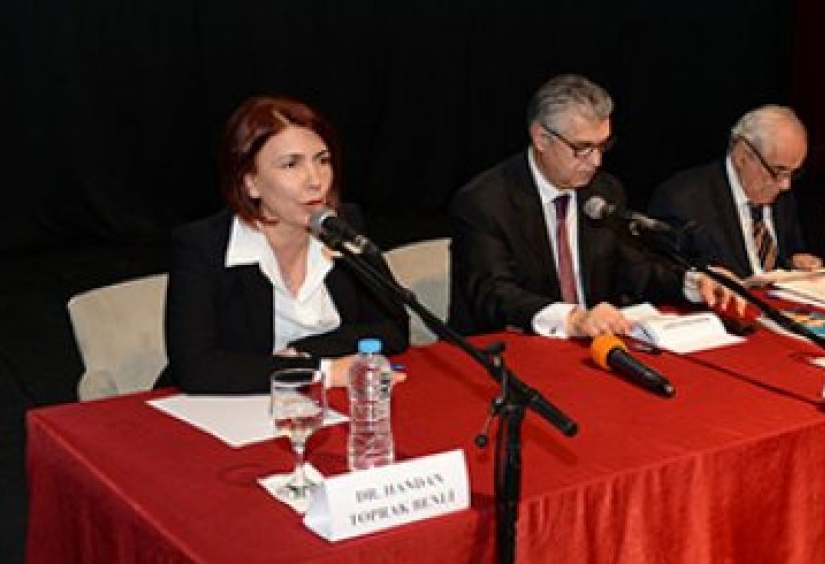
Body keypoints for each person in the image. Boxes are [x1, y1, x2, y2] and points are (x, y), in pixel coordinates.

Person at [448, 74, 740, 338]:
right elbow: (494, 296)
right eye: (582, 148)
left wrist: (693, 282)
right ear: (541, 138)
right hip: (509, 350)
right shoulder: (484, 202)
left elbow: (634, 271)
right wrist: (573, 319)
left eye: (602, 146)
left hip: (591, 347)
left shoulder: (604, 190)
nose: (596, 161)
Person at [160, 95, 409, 394]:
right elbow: (196, 369)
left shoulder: (342, 225)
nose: (316, 180)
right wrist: (322, 371)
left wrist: (304, 353)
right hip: (220, 408)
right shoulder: (203, 247)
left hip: (320, 405)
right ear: (250, 183)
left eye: (323, 160)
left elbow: (393, 329)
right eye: (291, 165)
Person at [648, 105, 823, 278]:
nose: (786, 185)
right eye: (778, 171)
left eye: (793, 172)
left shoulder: (781, 196)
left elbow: (789, 251)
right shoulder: (683, 201)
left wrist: (795, 261)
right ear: (742, 157)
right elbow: (667, 276)